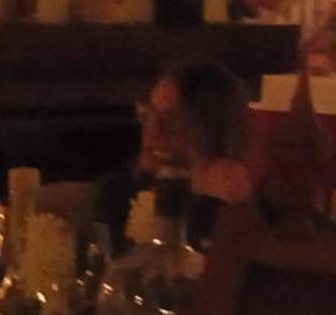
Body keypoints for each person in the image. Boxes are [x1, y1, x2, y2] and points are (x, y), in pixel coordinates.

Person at [94, 61, 254, 249]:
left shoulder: (245, 206)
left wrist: (208, 202)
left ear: (213, 129)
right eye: (148, 114)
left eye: (171, 118)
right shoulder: (119, 190)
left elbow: (208, 261)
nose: (152, 130)